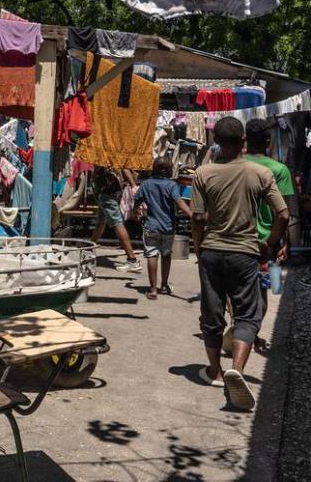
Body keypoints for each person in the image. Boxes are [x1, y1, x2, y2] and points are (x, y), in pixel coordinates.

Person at [191, 116, 289, 411]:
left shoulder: (203, 173)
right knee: (247, 314)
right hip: (245, 253)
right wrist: (270, 243)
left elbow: (197, 218)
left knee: (212, 313)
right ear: (243, 141)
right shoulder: (260, 173)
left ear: (216, 142)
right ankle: (236, 369)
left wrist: (198, 249)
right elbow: (283, 215)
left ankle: (214, 372)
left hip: (211, 251)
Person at [243, 118, 296, 352]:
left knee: (240, 290)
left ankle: (240, 330)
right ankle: (250, 336)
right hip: (268, 242)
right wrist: (284, 243)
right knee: (264, 292)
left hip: (236, 239)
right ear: (268, 140)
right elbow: (286, 213)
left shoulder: (233, 164)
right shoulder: (279, 170)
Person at [133, 157, 192, 299]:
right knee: (166, 255)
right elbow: (179, 202)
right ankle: (164, 284)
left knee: (152, 255)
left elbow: (136, 200)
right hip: (168, 227)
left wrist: (137, 210)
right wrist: (191, 214)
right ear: (167, 171)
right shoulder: (171, 185)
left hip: (151, 226)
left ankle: (153, 289)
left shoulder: (146, 184)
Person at [91, 166, 142, 272]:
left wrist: (133, 186)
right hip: (112, 189)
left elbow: (124, 167)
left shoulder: (103, 154)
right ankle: (90, 247)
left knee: (117, 223)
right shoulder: (113, 153)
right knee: (102, 219)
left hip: (105, 190)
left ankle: (132, 259)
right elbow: (124, 167)